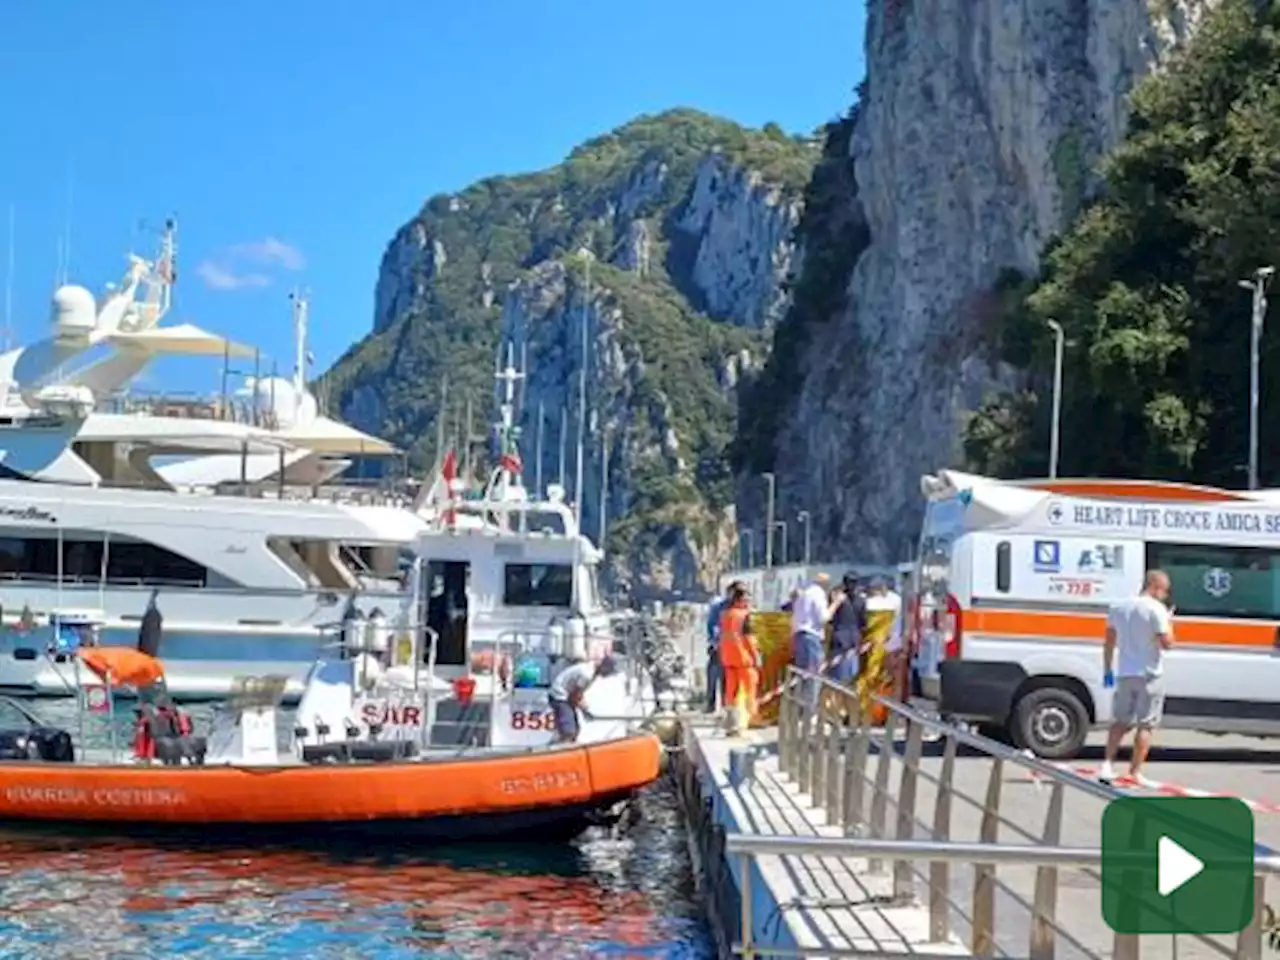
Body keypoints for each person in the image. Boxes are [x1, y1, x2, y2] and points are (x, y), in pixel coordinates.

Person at [1099, 570, 1175, 786]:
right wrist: (1170, 622)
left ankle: (1107, 764)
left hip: (1125, 672)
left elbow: (1109, 641)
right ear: (1156, 586)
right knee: (1146, 725)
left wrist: (1107, 669)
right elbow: (1168, 644)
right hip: (1150, 674)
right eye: (1165, 590)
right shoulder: (1156, 609)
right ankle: (1135, 772)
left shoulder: (1118, 607)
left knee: (1120, 721)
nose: (1165, 595)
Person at [718, 583, 761, 736]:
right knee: (750, 690)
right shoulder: (745, 616)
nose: (748, 602)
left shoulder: (725, 615)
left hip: (728, 659)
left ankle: (731, 723)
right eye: (746, 599)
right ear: (740, 600)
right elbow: (749, 638)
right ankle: (750, 720)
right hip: (744, 659)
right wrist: (756, 656)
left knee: (731, 693)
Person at [791, 573, 838, 710]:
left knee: (802, 675)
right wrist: (835, 603)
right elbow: (824, 618)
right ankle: (810, 710)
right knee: (814, 674)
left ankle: (800, 708)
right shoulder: (818, 594)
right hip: (812, 636)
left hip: (799, 636)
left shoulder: (804, 594)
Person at [548, 656, 619, 743]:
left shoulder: (591, 671)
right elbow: (573, 696)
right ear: (604, 667)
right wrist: (584, 710)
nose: (608, 675)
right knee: (569, 731)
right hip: (559, 696)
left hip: (565, 696)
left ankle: (560, 741)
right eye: (609, 671)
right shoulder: (587, 674)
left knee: (576, 730)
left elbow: (578, 694)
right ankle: (560, 748)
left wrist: (584, 708)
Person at [705, 581, 744, 714]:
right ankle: (710, 703)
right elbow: (712, 625)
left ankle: (725, 706)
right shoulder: (718, 606)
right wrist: (715, 642)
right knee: (713, 675)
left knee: (726, 679)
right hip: (718, 646)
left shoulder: (740, 607)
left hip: (732, 649)